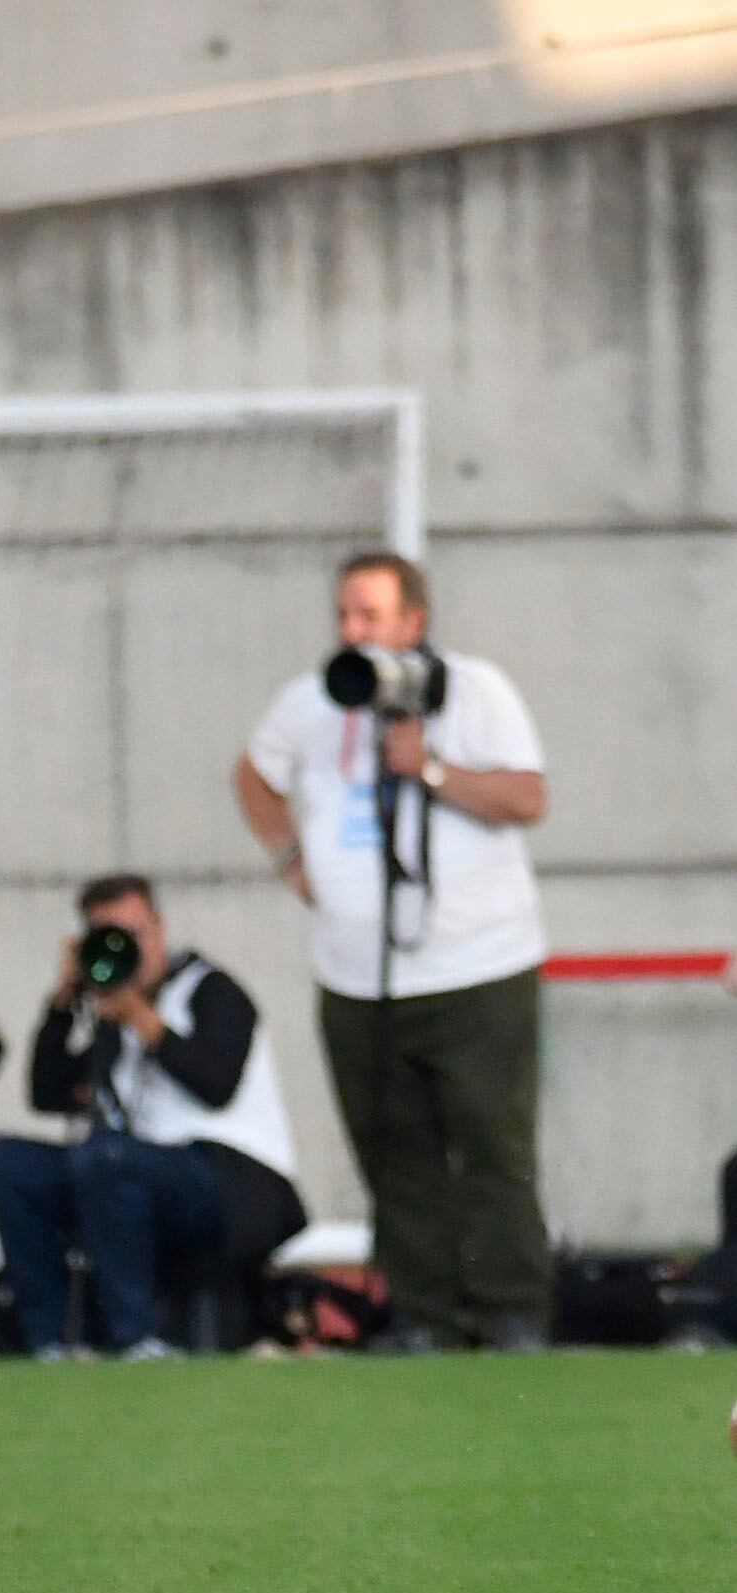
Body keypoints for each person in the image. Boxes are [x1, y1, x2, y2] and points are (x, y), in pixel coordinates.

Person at [234, 552, 553, 1352]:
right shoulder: (313, 701)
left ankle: (510, 1310)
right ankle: (425, 1314)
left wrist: (433, 769)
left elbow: (527, 796)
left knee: (493, 1148)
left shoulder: (477, 691)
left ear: (414, 620)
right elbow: (252, 777)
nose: (352, 631)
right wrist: (292, 862)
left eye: (370, 616)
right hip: (357, 978)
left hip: (479, 970)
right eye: (344, 615)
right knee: (392, 1152)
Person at [0, 875, 297, 1359]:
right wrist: (64, 1001)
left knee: (105, 1158)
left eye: (136, 934)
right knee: (7, 1165)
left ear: (160, 929)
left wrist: (140, 1018)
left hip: (237, 1183)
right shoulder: (107, 1015)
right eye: (108, 938)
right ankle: (53, 1341)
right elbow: (47, 1094)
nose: (128, 950)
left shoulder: (211, 990)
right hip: (125, 1173)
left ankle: (136, 1339)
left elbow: (216, 1085)